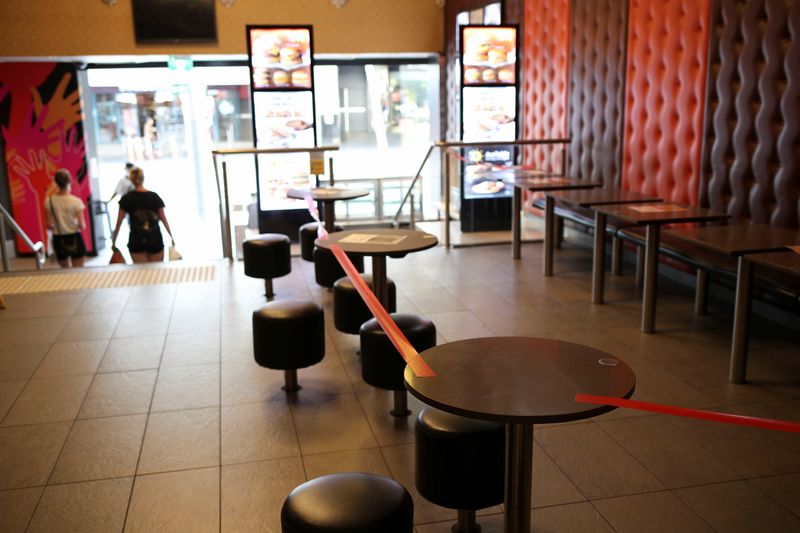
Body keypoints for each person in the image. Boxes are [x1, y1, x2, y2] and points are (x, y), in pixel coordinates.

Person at [111, 166, 175, 263]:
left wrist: (114, 241)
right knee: (157, 273)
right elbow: (164, 220)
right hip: (155, 238)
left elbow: (118, 223)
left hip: (136, 239)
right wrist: (172, 237)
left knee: (141, 274)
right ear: (143, 178)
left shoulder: (126, 199)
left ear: (131, 180)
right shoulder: (154, 197)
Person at [45, 168, 87, 268]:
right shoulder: (76, 201)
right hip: (74, 237)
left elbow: (48, 225)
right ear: (69, 181)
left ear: (56, 183)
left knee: (64, 272)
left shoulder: (49, 201)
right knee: (78, 271)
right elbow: (82, 225)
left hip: (58, 238)